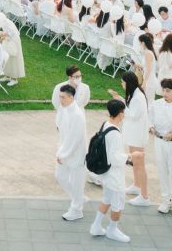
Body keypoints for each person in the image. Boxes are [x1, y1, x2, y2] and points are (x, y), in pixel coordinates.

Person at [89, 99, 131, 243]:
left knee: (107, 198)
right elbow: (115, 157)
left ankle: (96, 226)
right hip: (114, 174)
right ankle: (112, 230)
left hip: (105, 172)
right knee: (118, 202)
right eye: (123, 112)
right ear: (120, 113)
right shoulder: (116, 133)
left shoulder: (106, 125)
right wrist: (131, 157)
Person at [107, 71, 151, 206]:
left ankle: (145, 196)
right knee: (135, 162)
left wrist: (120, 102)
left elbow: (133, 115)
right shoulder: (134, 94)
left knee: (139, 164)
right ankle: (137, 186)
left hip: (137, 135)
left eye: (123, 82)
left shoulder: (138, 97)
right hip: (133, 133)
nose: (121, 84)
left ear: (128, 83)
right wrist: (120, 98)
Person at [149, 78, 172, 217]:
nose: (165, 93)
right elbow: (149, 119)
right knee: (162, 171)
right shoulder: (155, 105)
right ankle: (165, 201)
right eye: (163, 90)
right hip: (159, 142)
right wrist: (151, 127)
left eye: (168, 91)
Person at [55, 83, 87, 221]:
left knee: (76, 182)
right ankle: (78, 198)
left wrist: (63, 154)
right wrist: (61, 151)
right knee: (60, 176)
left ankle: (77, 209)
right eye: (60, 97)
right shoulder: (64, 110)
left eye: (63, 97)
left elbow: (74, 139)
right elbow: (61, 130)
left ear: (71, 97)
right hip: (64, 150)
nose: (60, 100)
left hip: (76, 154)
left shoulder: (77, 115)